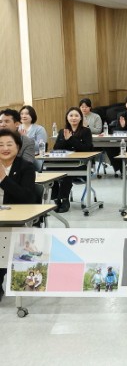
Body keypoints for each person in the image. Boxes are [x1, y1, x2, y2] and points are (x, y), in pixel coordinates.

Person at [0, 128, 38, 298]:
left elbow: (27, 197)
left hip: (13, 220)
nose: (4, 148)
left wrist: (3, 179)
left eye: (9, 144)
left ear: (18, 147)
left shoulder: (26, 167)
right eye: (0, 145)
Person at [51, 107, 93, 212]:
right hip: (64, 162)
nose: (73, 118)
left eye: (76, 116)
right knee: (50, 171)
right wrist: (64, 140)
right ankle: (56, 199)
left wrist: (71, 139)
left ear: (80, 118)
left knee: (67, 173)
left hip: (81, 164)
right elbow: (56, 149)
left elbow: (86, 149)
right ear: (67, 117)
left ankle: (64, 199)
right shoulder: (62, 131)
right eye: (71, 115)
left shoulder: (86, 131)